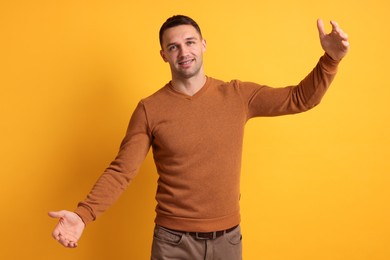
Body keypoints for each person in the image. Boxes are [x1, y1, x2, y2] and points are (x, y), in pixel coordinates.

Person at [49, 15, 349, 259]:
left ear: (203, 45)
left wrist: (330, 60)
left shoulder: (237, 95)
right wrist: (83, 215)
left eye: (190, 42)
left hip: (228, 242)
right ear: (163, 54)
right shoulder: (149, 109)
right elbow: (121, 171)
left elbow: (299, 98)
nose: (183, 52)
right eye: (174, 46)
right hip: (173, 243)